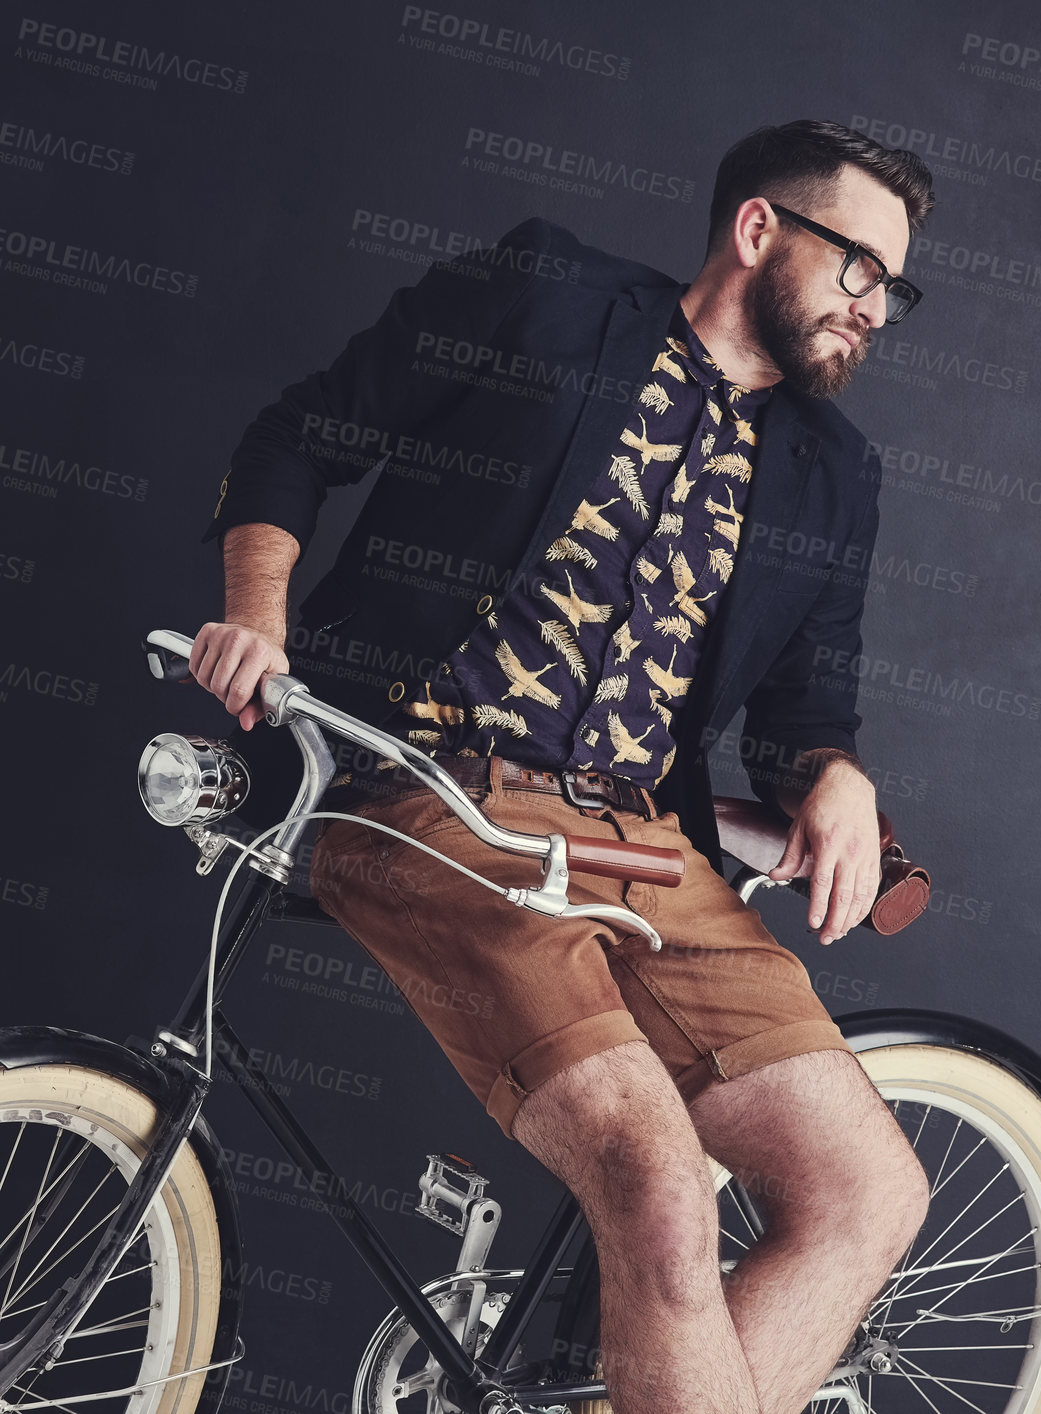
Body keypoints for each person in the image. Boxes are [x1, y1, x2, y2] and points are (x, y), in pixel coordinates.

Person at [191, 119, 935, 1414]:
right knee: (654, 1186)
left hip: (646, 844)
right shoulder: (545, 298)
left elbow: (807, 703)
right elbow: (297, 438)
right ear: (759, 231)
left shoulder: (834, 475)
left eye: (894, 287)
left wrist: (836, 770)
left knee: (871, 1188)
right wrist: (257, 613)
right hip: (429, 790)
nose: (875, 308)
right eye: (858, 269)